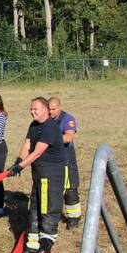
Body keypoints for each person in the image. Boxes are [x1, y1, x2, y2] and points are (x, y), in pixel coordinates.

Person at [8, 97, 65, 253]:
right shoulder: (33, 126)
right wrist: (18, 160)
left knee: (48, 210)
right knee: (33, 209)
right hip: (39, 176)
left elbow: (37, 151)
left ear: (46, 109)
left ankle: (46, 245)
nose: (32, 112)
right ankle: (32, 246)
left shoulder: (50, 128)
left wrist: (20, 167)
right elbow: (27, 145)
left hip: (52, 176)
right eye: (31, 109)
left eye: (35, 109)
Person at [48, 97, 81, 229]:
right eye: (49, 109)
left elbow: (68, 137)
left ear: (60, 107)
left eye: (53, 109)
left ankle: (74, 217)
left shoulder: (68, 119)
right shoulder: (47, 119)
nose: (51, 112)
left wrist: (50, 139)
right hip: (52, 156)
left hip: (66, 155)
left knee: (70, 187)